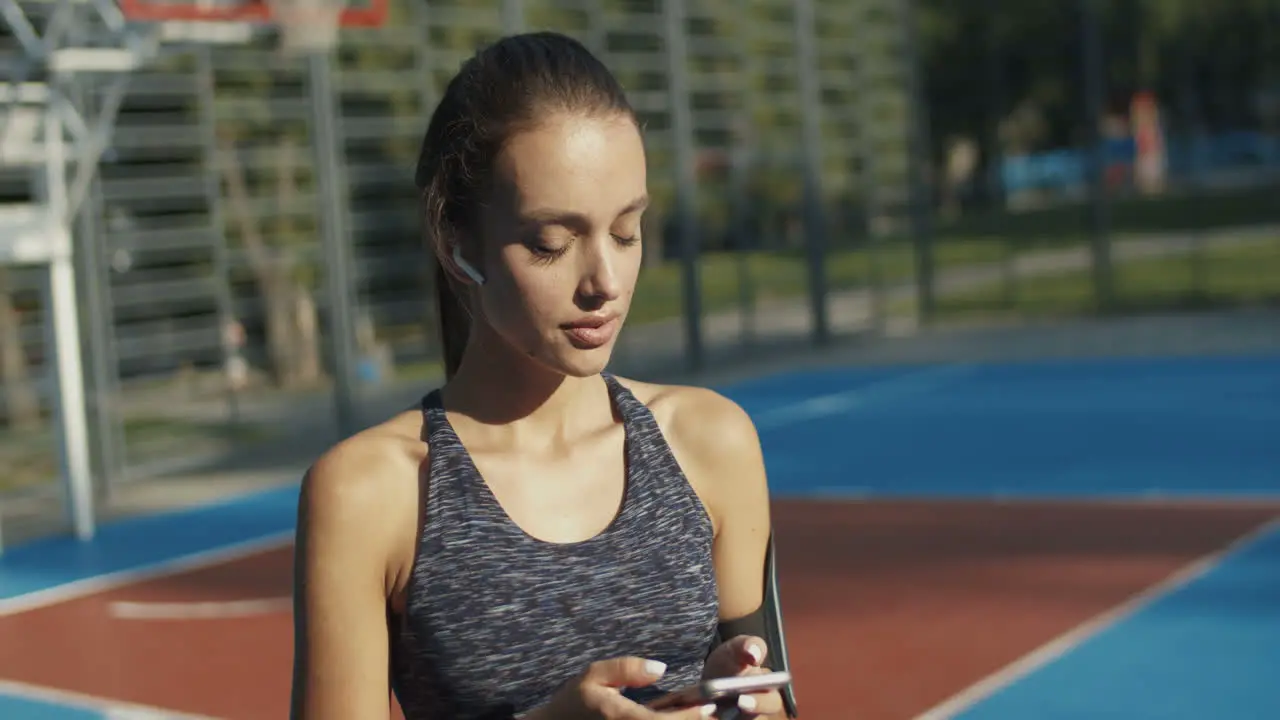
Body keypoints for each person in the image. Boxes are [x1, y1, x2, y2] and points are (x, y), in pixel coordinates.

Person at [289, 31, 786, 720]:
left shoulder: (710, 441)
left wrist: (751, 706)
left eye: (626, 232)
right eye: (551, 244)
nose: (605, 283)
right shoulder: (373, 492)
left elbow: (778, 702)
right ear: (458, 242)